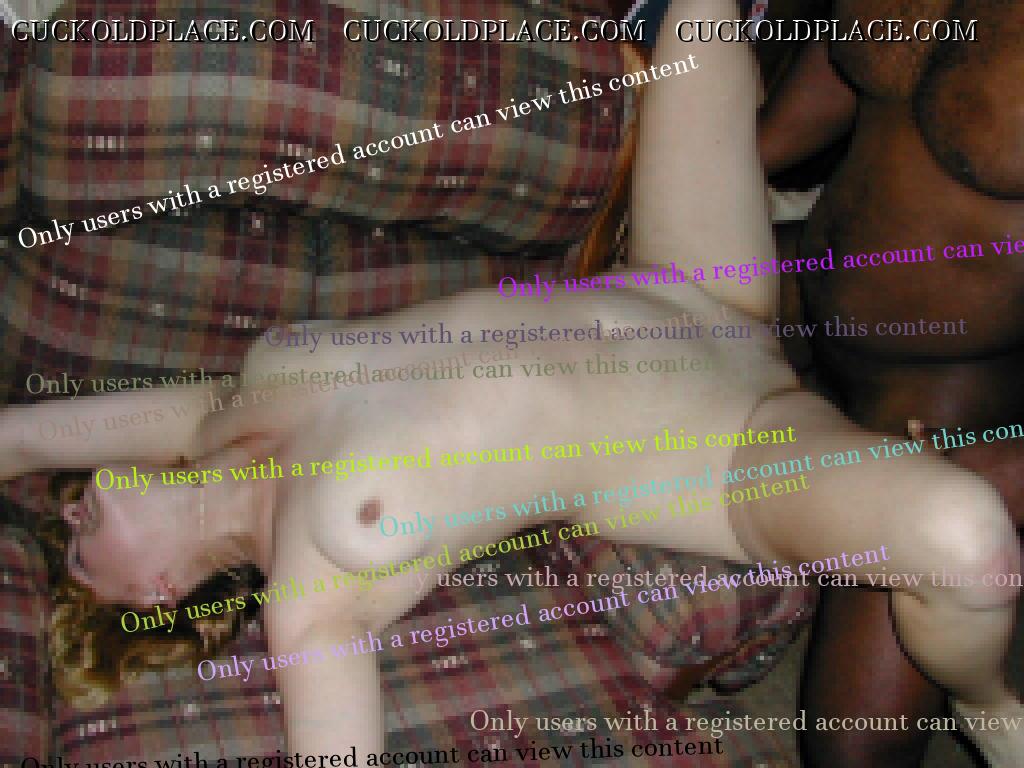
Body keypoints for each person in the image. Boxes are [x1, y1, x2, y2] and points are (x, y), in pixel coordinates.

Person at [2, 1, 1022, 765]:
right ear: (159, 596)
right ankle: (985, 697)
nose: (75, 507)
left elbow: (23, 438)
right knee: (967, 547)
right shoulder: (312, 601)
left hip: (689, 281)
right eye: (78, 548)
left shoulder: (215, 413)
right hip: (734, 442)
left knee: (702, 16)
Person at [755, 3, 1024, 766]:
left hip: (945, 392)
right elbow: (859, 65)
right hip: (809, 282)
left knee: (850, 750)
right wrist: (742, 159)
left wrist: (1014, 459)